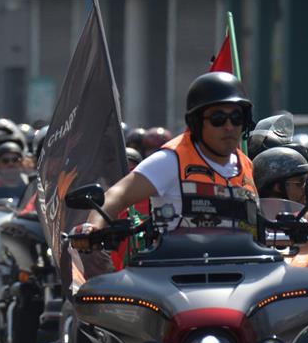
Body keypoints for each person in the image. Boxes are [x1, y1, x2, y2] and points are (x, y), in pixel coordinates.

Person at [72, 71, 257, 249]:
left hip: (243, 272)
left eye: (236, 118)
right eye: (218, 118)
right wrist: (92, 227)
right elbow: (118, 195)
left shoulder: (247, 166)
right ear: (196, 122)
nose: (229, 126)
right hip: (181, 273)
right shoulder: (171, 160)